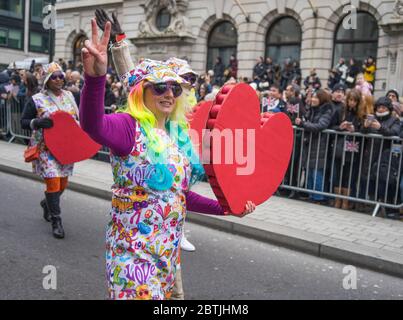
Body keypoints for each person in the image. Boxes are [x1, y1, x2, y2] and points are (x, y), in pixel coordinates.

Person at [80, 19, 256, 300]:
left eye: (175, 89)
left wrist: (228, 208)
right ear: (141, 92)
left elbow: (181, 196)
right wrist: (95, 78)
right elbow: (92, 125)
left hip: (166, 257)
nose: (169, 94)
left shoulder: (175, 137)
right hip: (133, 258)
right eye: (160, 87)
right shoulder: (128, 126)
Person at [20, 62, 80, 239]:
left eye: (61, 76)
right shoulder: (37, 99)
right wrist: (36, 123)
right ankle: (56, 220)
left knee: (62, 185)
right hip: (46, 149)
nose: (59, 79)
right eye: (54, 77)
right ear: (47, 80)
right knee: (53, 182)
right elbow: (24, 121)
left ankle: (47, 203)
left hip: (66, 148)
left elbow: (78, 117)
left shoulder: (69, 96)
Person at [295, 89, 332, 203]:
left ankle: (318, 197)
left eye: (316, 98)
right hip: (309, 143)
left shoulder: (327, 110)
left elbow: (320, 126)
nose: (313, 100)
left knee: (317, 172)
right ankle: (312, 195)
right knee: (309, 171)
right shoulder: (311, 110)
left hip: (319, 145)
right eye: (313, 97)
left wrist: (303, 124)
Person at [332, 89, 363, 209]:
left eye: (355, 101)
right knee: (338, 174)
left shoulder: (361, 114)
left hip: (353, 148)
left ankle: (345, 202)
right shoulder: (340, 111)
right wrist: (340, 127)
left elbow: (365, 130)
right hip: (340, 147)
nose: (352, 103)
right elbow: (331, 125)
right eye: (350, 100)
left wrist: (356, 130)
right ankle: (337, 201)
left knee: (349, 175)